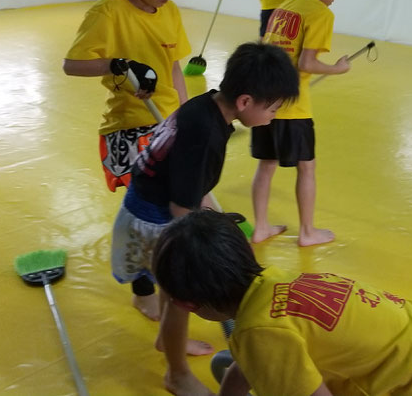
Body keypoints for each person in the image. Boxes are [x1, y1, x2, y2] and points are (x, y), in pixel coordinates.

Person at [109, 43, 298, 381]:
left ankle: (168, 342)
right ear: (245, 102)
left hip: (150, 202)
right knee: (180, 294)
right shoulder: (206, 135)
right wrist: (204, 251)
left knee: (172, 292)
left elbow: (191, 185)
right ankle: (177, 374)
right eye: (272, 108)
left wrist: (216, 218)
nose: (274, 116)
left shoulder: (205, 106)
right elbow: (182, 207)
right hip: (156, 218)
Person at [152, 210, 412, 396]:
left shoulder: (259, 333)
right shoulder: (277, 281)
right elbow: (253, 357)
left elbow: (263, 348)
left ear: (188, 305)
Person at [63, 0, 190, 192]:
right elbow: (72, 65)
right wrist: (116, 65)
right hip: (131, 124)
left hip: (168, 118)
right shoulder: (107, 13)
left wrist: (185, 112)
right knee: (147, 200)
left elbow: (174, 65)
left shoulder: (171, 13)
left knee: (182, 191)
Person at [250, 0, 350, 246]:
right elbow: (307, 63)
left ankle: (261, 228)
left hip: (265, 103)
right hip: (294, 109)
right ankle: (307, 232)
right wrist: (337, 68)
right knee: (307, 166)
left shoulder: (283, 7)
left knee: (266, 165)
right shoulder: (320, 13)